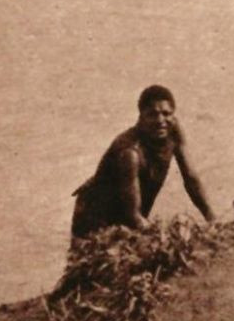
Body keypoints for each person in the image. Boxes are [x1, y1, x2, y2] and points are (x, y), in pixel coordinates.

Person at [70, 85, 215, 240]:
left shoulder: (173, 130)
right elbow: (133, 216)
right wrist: (161, 236)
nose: (160, 121)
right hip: (94, 216)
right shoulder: (130, 153)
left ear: (173, 115)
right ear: (141, 118)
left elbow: (191, 178)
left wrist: (212, 218)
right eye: (152, 115)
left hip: (129, 211)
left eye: (166, 113)